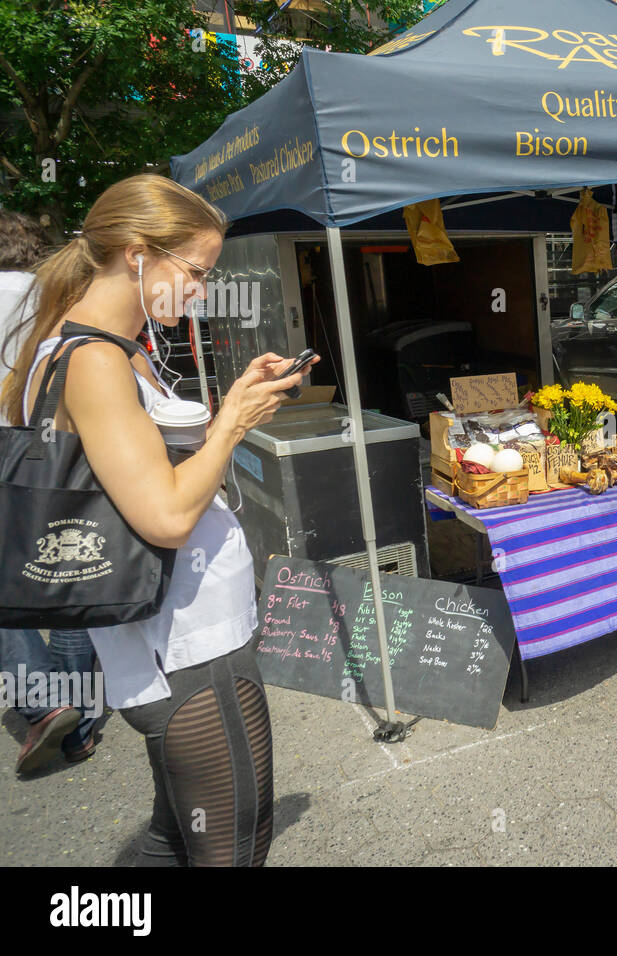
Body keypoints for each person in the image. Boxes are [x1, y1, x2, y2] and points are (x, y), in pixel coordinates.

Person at [0, 175, 315, 865]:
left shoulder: (85, 345)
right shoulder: (94, 361)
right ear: (139, 254)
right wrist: (231, 425)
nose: (203, 291)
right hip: (186, 647)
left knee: (175, 837)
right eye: (197, 271)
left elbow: (145, 472)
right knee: (234, 843)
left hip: (171, 643)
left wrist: (231, 399)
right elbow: (168, 514)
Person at [0, 208, 99, 773]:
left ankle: (41, 700)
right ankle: (78, 723)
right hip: (57, 445)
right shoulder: (57, 295)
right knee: (67, 573)